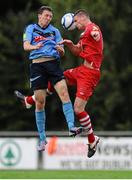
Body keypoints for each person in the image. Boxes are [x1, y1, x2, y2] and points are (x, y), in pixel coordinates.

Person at [15, 9, 103, 157]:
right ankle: (30, 100)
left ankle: (92, 139)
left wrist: (95, 35)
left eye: (75, 22)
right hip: (81, 70)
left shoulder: (91, 29)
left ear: (81, 19)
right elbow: (77, 51)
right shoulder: (83, 35)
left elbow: (96, 33)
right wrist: (69, 44)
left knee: (78, 110)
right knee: (59, 80)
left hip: (90, 74)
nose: (74, 25)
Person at [20, 6, 82, 152]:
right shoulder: (30, 29)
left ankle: (71, 127)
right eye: (46, 15)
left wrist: (61, 51)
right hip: (37, 66)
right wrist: (35, 47)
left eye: (50, 16)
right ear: (39, 16)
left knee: (64, 94)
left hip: (53, 65)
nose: (48, 18)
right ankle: (42, 139)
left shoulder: (55, 31)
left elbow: (62, 52)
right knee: (40, 102)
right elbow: (25, 46)